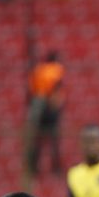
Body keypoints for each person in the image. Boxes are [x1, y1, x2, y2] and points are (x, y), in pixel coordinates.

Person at [24, 50, 65, 181]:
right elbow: (57, 86)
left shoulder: (37, 70)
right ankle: (55, 166)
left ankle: (33, 166)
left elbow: (30, 89)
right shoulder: (55, 69)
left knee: (38, 139)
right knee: (53, 139)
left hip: (38, 103)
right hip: (49, 105)